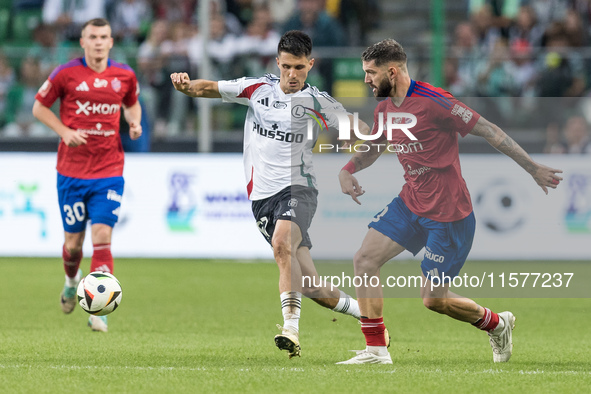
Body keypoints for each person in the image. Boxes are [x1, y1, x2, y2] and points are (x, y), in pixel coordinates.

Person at [336, 39, 562, 365]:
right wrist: (348, 169)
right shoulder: (385, 108)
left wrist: (533, 168)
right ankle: (376, 350)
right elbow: (375, 146)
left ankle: (497, 323)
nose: (366, 80)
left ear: (392, 71)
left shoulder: (435, 101)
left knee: (433, 300)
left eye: (371, 73)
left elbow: (489, 130)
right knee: (364, 260)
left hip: (449, 213)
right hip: (411, 202)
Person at [171, 30, 370, 359]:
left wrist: (357, 156)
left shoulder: (317, 102)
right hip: (262, 198)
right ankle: (370, 318)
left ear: (311, 65)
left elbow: (358, 129)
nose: (292, 75)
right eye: (287, 67)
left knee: (281, 244)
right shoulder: (256, 89)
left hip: (299, 189)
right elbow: (207, 88)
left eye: (300, 68)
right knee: (312, 287)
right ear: (277, 62)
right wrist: (184, 85)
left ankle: (290, 328)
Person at [32, 18, 142, 333]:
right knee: (73, 243)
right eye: (92, 36)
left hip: (108, 169)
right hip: (71, 171)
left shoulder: (124, 75)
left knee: (103, 236)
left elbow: (132, 105)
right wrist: (64, 131)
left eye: (103, 36)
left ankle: (99, 309)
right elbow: (40, 108)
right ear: (83, 42)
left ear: (111, 42)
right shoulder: (65, 74)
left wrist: (134, 123)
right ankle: (71, 281)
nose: (98, 42)